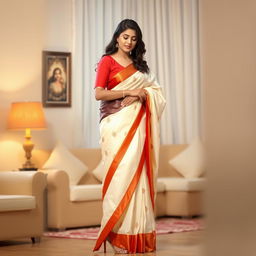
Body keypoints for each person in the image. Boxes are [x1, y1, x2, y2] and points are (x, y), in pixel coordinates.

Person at [93, 19, 166, 254]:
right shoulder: (107, 61)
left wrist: (139, 94)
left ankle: (136, 235)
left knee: (139, 177)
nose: (129, 42)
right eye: (125, 37)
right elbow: (99, 94)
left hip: (137, 125)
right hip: (115, 125)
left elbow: (155, 91)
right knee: (121, 176)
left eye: (133, 38)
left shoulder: (140, 65)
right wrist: (129, 91)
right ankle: (117, 236)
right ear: (117, 37)